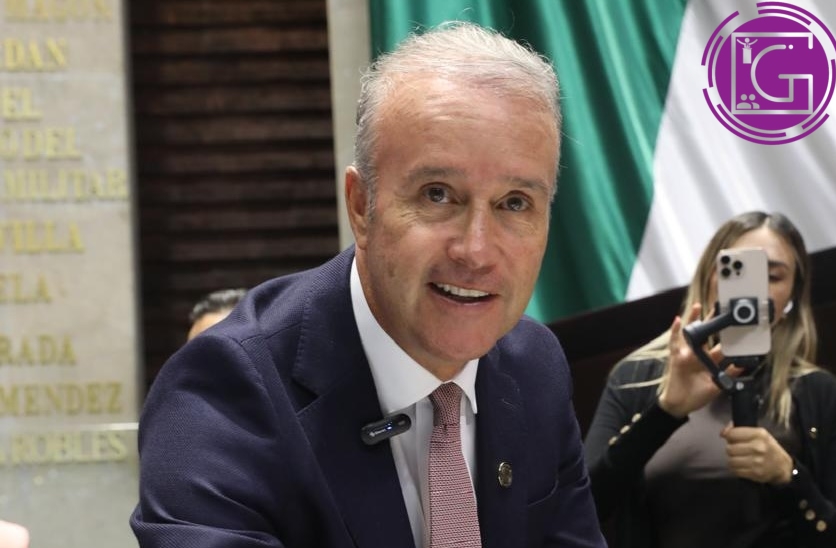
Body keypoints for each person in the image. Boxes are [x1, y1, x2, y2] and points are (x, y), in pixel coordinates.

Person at [131, 22, 606, 548]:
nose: (475, 251)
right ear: (361, 206)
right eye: (437, 194)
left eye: (514, 203)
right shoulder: (223, 393)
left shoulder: (534, 367)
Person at [584, 211, 836, 548]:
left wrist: (790, 476)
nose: (755, 292)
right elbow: (584, 505)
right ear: (710, 278)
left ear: (792, 297)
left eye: (773, 276)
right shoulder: (636, 378)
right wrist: (665, 412)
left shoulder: (822, 394)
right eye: (738, 272)